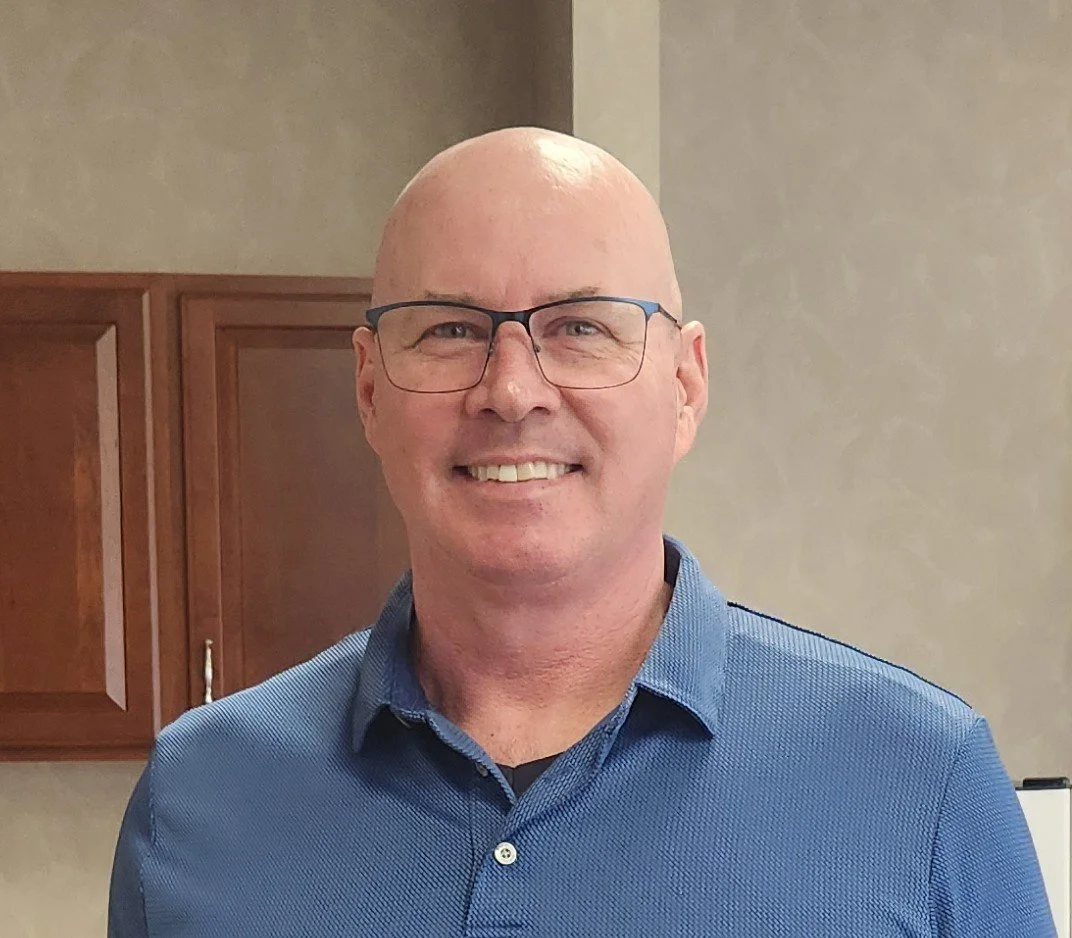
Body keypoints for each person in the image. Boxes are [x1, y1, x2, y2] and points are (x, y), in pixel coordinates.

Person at [108, 127, 1056, 937]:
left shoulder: (921, 783)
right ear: (367, 389)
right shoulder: (200, 797)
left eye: (581, 328)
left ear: (685, 385)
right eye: (448, 329)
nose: (512, 390)